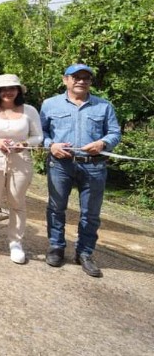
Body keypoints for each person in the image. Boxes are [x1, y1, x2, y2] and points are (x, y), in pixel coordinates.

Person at [41, 64, 121, 277]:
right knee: (56, 208)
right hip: (60, 165)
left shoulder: (103, 106)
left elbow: (114, 133)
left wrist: (102, 144)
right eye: (76, 77)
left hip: (93, 166)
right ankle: (56, 247)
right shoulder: (50, 104)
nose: (81, 81)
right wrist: (51, 145)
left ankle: (84, 253)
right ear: (65, 79)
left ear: (90, 82)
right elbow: (41, 132)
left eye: (86, 77)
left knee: (91, 213)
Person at [0, 74, 43, 263]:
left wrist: (24, 143)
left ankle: (15, 242)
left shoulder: (29, 110)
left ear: (18, 90)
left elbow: (38, 136)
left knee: (17, 202)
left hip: (20, 159)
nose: (8, 92)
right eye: (4, 89)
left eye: (12, 88)